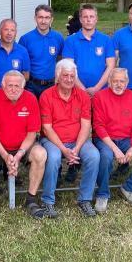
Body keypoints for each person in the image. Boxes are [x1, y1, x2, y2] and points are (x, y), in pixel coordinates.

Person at [0, 71, 47, 223]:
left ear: (23, 87)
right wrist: (5, 155)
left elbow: (32, 133)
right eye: (10, 85)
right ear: (3, 85)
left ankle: (31, 200)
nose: (13, 89)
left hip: (23, 146)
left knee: (40, 154)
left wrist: (18, 155)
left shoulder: (30, 99)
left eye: (17, 86)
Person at [39, 59, 100, 218]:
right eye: (65, 76)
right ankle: (48, 201)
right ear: (57, 77)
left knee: (94, 155)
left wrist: (76, 149)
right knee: (53, 157)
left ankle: (85, 199)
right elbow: (47, 128)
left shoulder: (83, 96)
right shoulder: (46, 95)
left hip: (77, 140)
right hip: (53, 140)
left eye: (72, 76)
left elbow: (86, 125)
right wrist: (64, 150)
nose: (69, 79)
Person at [92, 68, 132, 212]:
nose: (118, 84)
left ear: (127, 82)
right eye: (115, 81)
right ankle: (102, 194)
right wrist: (115, 149)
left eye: (122, 81)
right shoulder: (100, 97)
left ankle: (129, 188)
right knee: (106, 157)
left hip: (127, 138)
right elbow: (98, 126)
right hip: (105, 139)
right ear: (109, 82)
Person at [62, 4, 115, 96]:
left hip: (101, 91)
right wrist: (83, 90)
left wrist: (96, 88)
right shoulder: (70, 41)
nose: (88, 20)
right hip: (77, 91)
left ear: (96, 19)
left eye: (91, 16)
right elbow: (68, 68)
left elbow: (111, 66)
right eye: (85, 17)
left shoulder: (106, 40)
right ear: (80, 19)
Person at [19, 4, 64, 97]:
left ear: (52, 19)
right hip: (30, 85)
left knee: (48, 111)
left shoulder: (58, 37)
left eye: (47, 18)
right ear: (35, 18)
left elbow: (60, 58)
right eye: (40, 17)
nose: (43, 21)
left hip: (51, 85)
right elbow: (21, 63)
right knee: (32, 111)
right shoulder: (25, 39)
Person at [0, 18, 30, 97]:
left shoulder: (23, 51)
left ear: (16, 33)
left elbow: (26, 75)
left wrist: (14, 87)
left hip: (13, 97)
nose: (9, 33)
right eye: (6, 30)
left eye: (12, 30)